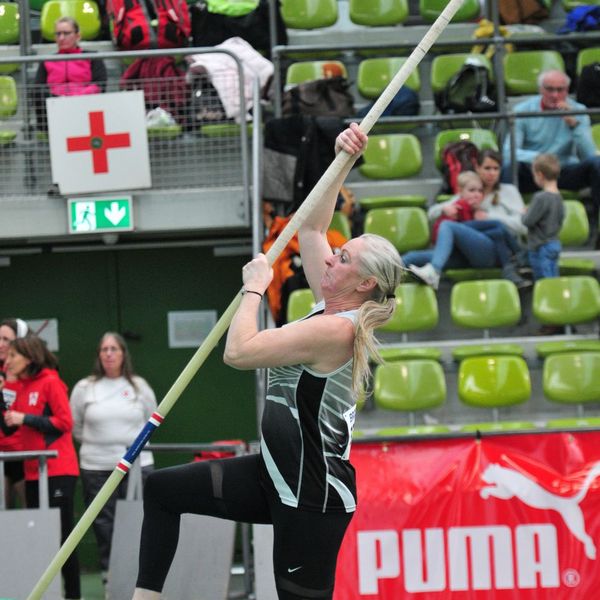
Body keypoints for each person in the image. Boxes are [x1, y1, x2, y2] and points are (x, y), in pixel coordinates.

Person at [130, 123, 404, 600]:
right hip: (274, 473)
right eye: (338, 254)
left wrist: (255, 287)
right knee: (163, 491)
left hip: (313, 496)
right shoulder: (328, 304)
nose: (331, 260)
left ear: (364, 285)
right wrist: (341, 161)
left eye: (343, 259)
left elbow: (238, 352)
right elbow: (312, 227)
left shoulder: (337, 330)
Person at [71, 332, 157, 588]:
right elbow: (75, 426)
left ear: (123, 354)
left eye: (114, 349)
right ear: (99, 355)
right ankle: (111, 578)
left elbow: (152, 420)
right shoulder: (85, 388)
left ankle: (140, 578)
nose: (109, 354)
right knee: (103, 523)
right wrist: (103, 444)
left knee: (141, 520)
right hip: (96, 466)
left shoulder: (139, 386)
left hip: (137, 466)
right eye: (104, 349)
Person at [3, 334, 81, 599]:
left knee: (63, 536)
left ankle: (73, 594)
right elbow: (9, 426)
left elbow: (65, 422)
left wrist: (25, 418)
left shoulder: (51, 382)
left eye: (13, 355)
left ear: (29, 357)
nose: (7, 361)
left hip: (58, 471)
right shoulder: (19, 387)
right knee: (40, 534)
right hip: (32, 473)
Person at [405, 168, 530, 290]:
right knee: (411, 257)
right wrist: (444, 210)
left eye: (480, 191)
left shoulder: (485, 210)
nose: (477, 194)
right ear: (460, 192)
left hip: (488, 255)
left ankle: (434, 271)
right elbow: (432, 216)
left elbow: (504, 230)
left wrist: (485, 218)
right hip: (461, 256)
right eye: (472, 190)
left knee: (448, 225)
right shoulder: (456, 206)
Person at [502, 69, 600, 225]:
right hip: (535, 171)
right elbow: (509, 152)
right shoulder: (522, 110)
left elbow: (588, 154)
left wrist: (575, 125)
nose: (555, 95)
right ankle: (511, 222)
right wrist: (542, 159)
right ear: (540, 90)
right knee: (509, 167)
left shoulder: (579, 110)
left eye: (560, 90)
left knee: (597, 164)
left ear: (567, 90)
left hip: (564, 170)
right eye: (550, 89)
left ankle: (598, 224)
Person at [33, 16, 107, 132]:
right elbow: (38, 88)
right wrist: (59, 99)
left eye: (66, 33)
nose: (61, 38)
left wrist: (75, 98)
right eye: (58, 34)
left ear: (78, 36)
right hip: (55, 109)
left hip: (85, 106)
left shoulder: (92, 57)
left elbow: (100, 84)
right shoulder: (47, 61)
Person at [0, 318, 29, 509]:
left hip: (24, 453)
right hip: (1, 454)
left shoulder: (28, 374)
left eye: (6, 339)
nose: (1, 344)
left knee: (31, 514)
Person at [522, 153, 565, 281]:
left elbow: (527, 221)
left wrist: (524, 212)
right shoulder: (559, 197)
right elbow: (561, 218)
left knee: (543, 282)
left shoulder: (540, 198)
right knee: (553, 280)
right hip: (554, 244)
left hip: (540, 247)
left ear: (540, 175)